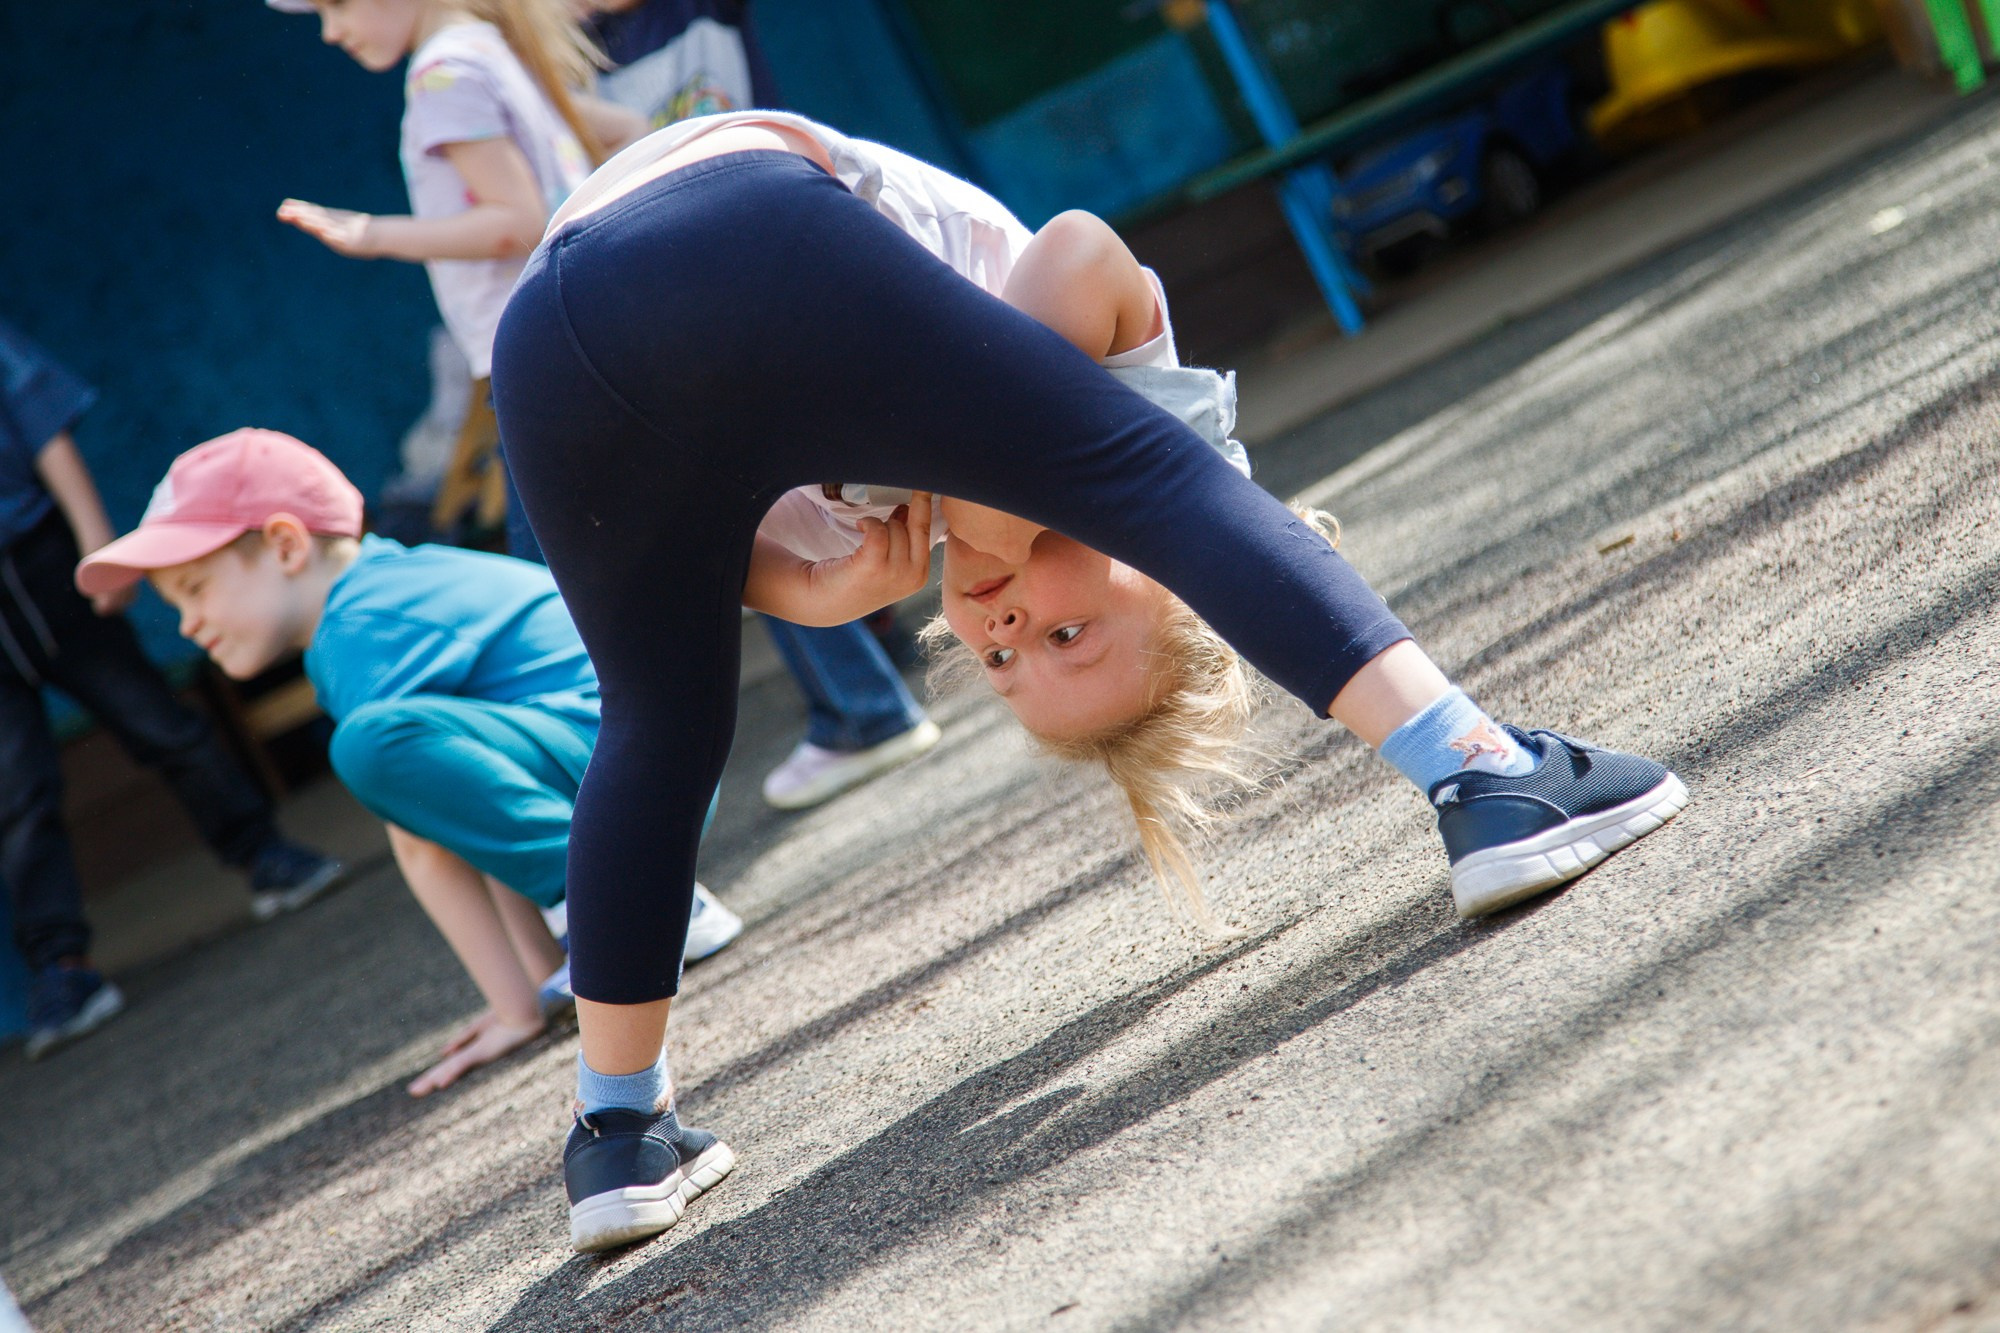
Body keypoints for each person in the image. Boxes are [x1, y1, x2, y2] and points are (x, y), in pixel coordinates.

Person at [492, 113, 1689, 1252]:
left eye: (1004, 660)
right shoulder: (1135, 421)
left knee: (659, 716)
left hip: (550, 332)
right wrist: (992, 509)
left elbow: (719, 490)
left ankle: (617, 1131)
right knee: (1150, 476)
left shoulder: (897, 491)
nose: (1008, 622)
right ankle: (1482, 771)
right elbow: (1075, 249)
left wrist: (802, 590)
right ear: (1171, 590)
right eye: (1069, 636)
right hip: (733, 214)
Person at [76, 429, 742, 1096]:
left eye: (195, 588)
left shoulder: (361, 626)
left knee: (370, 746)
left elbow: (421, 833)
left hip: (637, 768)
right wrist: (524, 1000)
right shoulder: (381, 589)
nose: (188, 623)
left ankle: (645, 913)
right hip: (643, 759)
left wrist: (522, 995)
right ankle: (608, 921)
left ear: (284, 544)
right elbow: (451, 816)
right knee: (392, 756)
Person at [575, 0, 945, 812]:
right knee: (761, 485)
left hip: (757, 236)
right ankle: (864, 687)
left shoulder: (692, 13)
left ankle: (864, 701)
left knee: (748, 483)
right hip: (694, 274)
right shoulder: (565, 47)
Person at [0, 319, 343, 1062]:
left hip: (37, 559)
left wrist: (97, 548)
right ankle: (62, 964)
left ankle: (265, 854)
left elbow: (44, 427)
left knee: (154, 719)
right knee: (16, 791)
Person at [268, 0, 647, 563]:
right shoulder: (487, 48)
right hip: (590, 341)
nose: (330, 31)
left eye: (337, 5)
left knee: (568, 577)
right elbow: (629, 129)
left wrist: (372, 235)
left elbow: (516, 222)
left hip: (542, 361)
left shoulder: (442, 73)